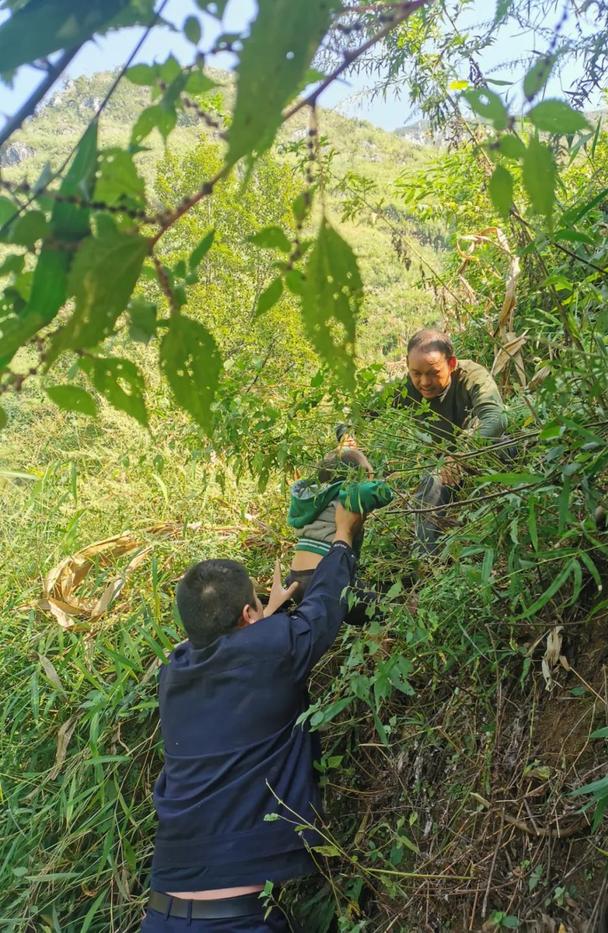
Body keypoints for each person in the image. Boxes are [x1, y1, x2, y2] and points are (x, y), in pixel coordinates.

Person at [141, 504, 364, 932]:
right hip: (233, 923)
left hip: (161, 915)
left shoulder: (174, 674)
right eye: (256, 607)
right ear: (248, 615)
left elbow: (239, 663)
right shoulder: (270, 649)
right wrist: (342, 537)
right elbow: (324, 606)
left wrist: (269, 617)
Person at [393, 328, 508, 553]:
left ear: (452, 363)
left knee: (507, 446)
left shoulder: (472, 375)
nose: (424, 382)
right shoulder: (405, 387)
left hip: (479, 453)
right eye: (416, 373)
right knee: (432, 482)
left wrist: (462, 455)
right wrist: (346, 435)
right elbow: (360, 412)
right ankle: (425, 559)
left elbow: (496, 418)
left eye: (433, 373)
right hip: (443, 469)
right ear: (407, 364)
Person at [285, 430, 392, 623]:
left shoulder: (313, 498)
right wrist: (382, 484)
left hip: (296, 578)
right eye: (368, 474)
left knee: (350, 607)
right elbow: (380, 493)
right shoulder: (346, 495)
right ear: (354, 479)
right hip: (323, 577)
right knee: (377, 608)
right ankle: (382, 639)